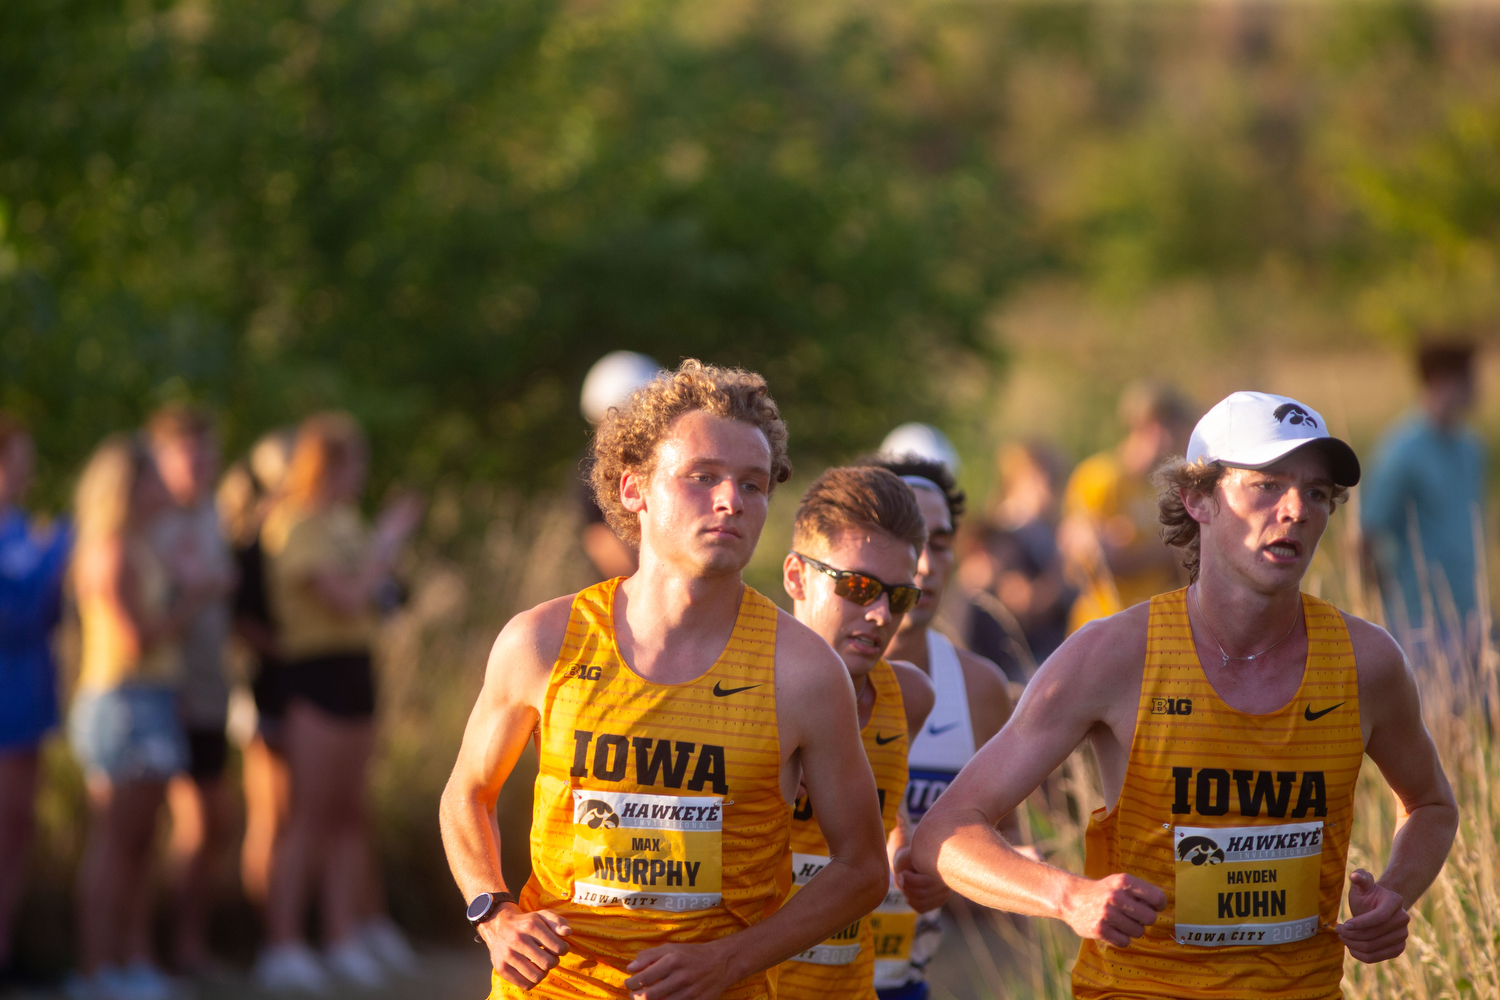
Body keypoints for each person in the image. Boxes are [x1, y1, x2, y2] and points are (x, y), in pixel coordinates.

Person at [913, 391, 1459, 999]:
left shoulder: (1366, 661)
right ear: (1198, 499)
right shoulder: (1113, 655)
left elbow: (1432, 807)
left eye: (1317, 493)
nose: (1296, 510)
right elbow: (947, 832)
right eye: (1267, 486)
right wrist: (1069, 896)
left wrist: (1394, 893)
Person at [440, 360, 890, 1000]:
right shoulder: (542, 640)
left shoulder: (803, 670)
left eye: (753, 485)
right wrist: (494, 913)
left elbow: (863, 869)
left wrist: (731, 960)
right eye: (702, 478)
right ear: (634, 490)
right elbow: (467, 793)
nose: (731, 500)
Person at [256, 413, 423, 991]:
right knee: (309, 815)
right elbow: (349, 597)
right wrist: (390, 540)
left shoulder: (344, 520)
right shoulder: (296, 524)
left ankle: (342, 933)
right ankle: (281, 944)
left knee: (350, 813)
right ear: (328, 465)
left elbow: (378, 594)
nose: (362, 474)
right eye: (354, 463)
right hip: (313, 673)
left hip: (356, 669)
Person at [776, 466, 939, 1000]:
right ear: (797, 577)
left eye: (898, 597)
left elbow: (885, 807)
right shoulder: (737, 690)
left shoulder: (909, 696)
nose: (878, 615)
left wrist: (906, 847)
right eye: (859, 587)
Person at [863, 455, 1019, 1000]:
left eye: (942, 542)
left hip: (922, 980)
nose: (925, 564)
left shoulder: (978, 688)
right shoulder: (798, 670)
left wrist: (944, 875)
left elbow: (1009, 847)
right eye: (908, 539)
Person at [68, 433, 209, 1000]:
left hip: (148, 701)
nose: (162, 485)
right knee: (114, 842)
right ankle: (95, 969)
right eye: (151, 475)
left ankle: (128, 960)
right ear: (129, 485)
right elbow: (131, 641)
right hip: (121, 703)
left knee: (139, 844)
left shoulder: (139, 543)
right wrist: (190, 603)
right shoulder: (112, 549)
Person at [147, 405, 237, 975]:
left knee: (214, 825)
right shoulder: (151, 519)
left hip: (210, 691)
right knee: (156, 829)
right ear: (160, 457)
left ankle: (187, 947)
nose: (203, 462)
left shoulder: (210, 512)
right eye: (190, 451)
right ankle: (139, 952)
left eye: (209, 451)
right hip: (163, 694)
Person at [1361, 338, 1487, 677]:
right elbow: (1367, 533)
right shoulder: (1401, 452)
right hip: (1420, 619)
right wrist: (1380, 604)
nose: (1479, 387)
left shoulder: (1471, 448)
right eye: (1470, 378)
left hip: (1471, 611)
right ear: (1444, 381)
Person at [0, 416, 71, 978]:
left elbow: (47, 614)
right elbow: (13, 615)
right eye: (14, 457)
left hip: (29, 694)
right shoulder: (35, 541)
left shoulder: (24, 528)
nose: (22, 470)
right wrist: (57, 558)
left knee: (16, 828)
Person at [219, 430, 294, 911]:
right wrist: (288, 651)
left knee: (291, 812)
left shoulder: (289, 533)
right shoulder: (251, 540)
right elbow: (240, 621)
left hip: (290, 689)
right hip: (258, 688)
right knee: (269, 813)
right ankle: (268, 932)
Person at [1059, 382, 1193, 632]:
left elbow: (1183, 563)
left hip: (1152, 628)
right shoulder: (1100, 477)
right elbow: (1094, 561)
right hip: (1103, 625)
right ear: (1152, 426)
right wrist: (1166, 549)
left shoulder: (1159, 489)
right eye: (1176, 429)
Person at [579, 351, 661, 581]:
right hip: (619, 592)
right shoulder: (591, 468)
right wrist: (641, 584)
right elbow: (598, 538)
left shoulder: (662, 459)